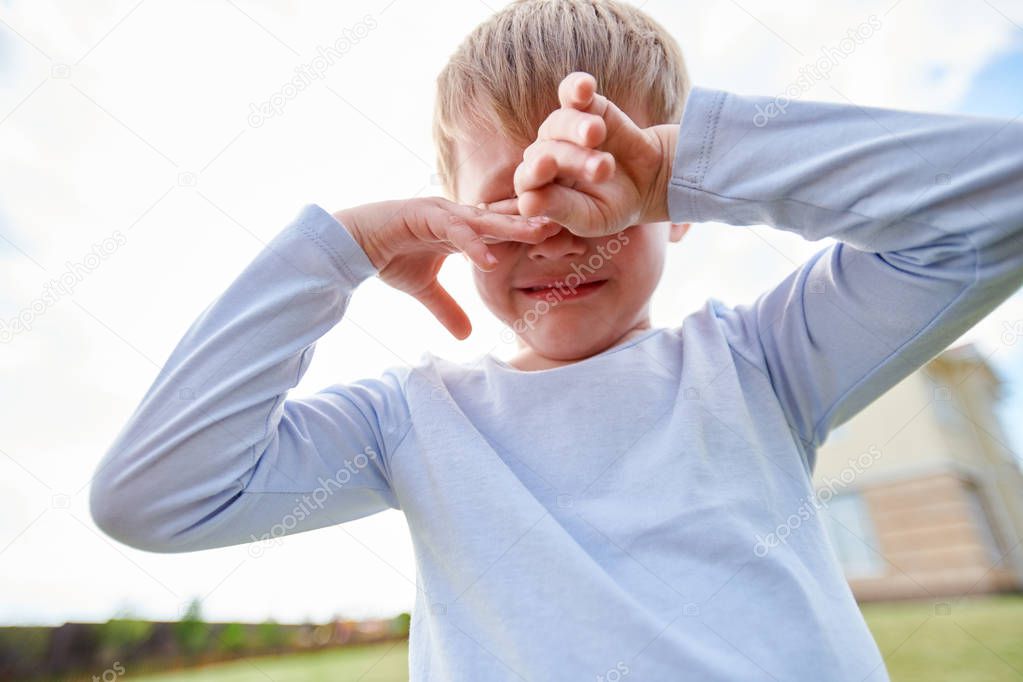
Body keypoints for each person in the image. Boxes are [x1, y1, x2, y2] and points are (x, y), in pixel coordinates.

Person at [89, 1, 1023, 679]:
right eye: (510, 203)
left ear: (679, 213)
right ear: (447, 214)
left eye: (602, 188)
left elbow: (999, 205)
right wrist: (344, 249)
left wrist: (686, 166)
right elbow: (152, 500)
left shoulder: (762, 362)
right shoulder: (409, 419)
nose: (560, 232)